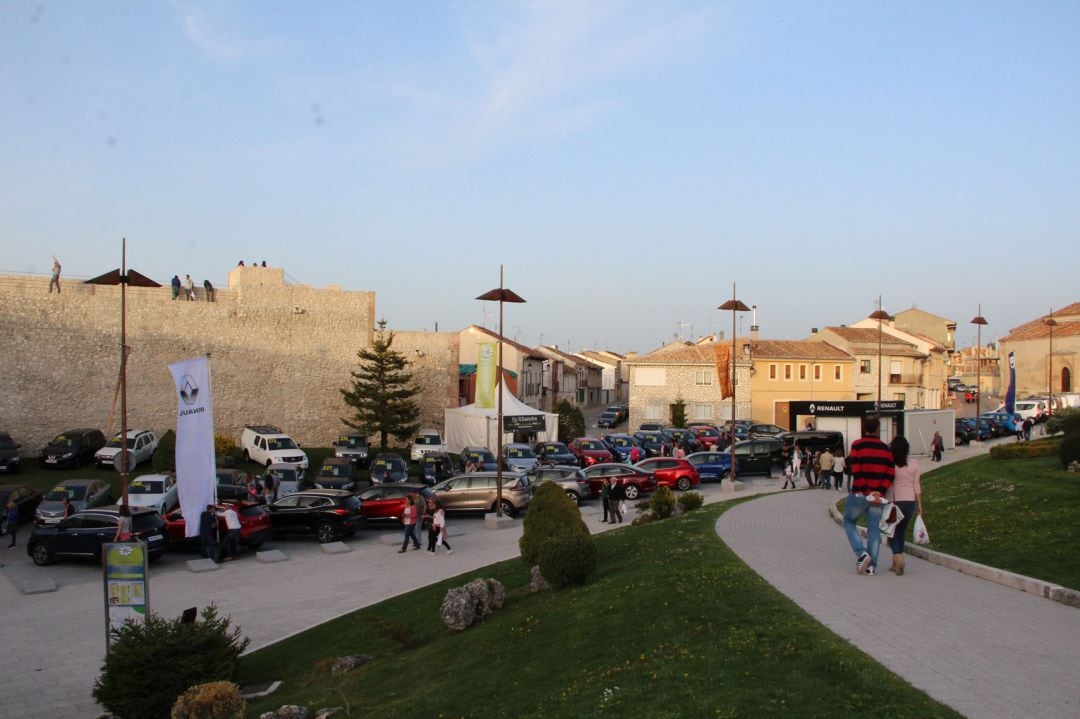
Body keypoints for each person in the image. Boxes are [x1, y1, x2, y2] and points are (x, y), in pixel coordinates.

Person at [842, 415, 895, 576]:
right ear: (877, 428)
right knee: (874, 530)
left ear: (864, 428)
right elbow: (890, 473)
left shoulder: (857, 445)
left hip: (860, 493)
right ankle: (872, 567)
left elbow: (856, 470)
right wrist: (880, 491)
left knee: (849, 521)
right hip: (878, 497)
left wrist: (867, 491)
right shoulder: (885, 449)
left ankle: (862, 553)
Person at [886, 436, 922, 576]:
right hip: (910, 502)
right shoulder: (914, 464)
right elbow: (917, 486)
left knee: (891, 533)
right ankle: (895, 564)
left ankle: (898, 558)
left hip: (894, 502)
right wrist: (919, 505)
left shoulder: (891, 464)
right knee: (900, 532)